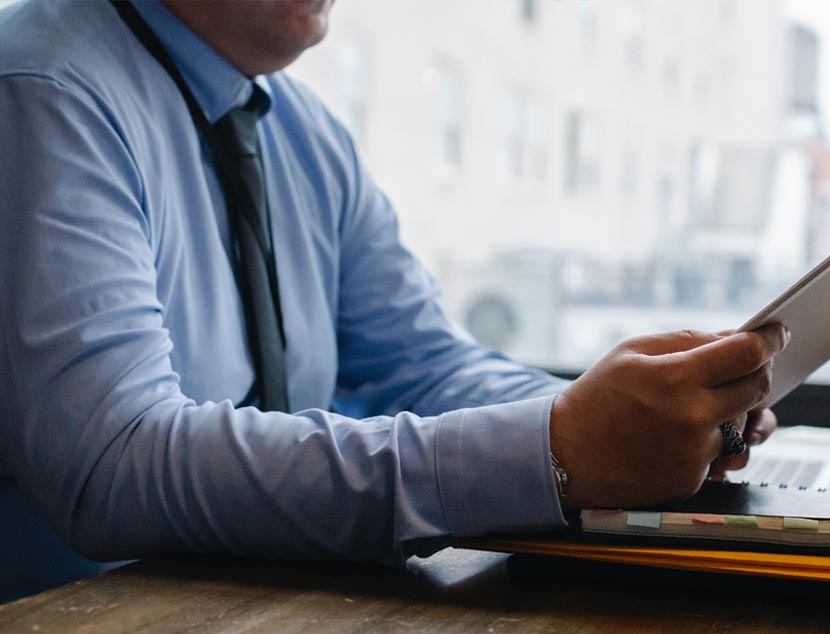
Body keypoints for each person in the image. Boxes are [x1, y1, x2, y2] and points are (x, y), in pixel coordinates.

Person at [0, 0, 786, 593]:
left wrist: (638, 421)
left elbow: (425, 366)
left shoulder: (304, 134)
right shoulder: (41, 92)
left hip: (262, 616)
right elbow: (110, 466)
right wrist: (554, 449)